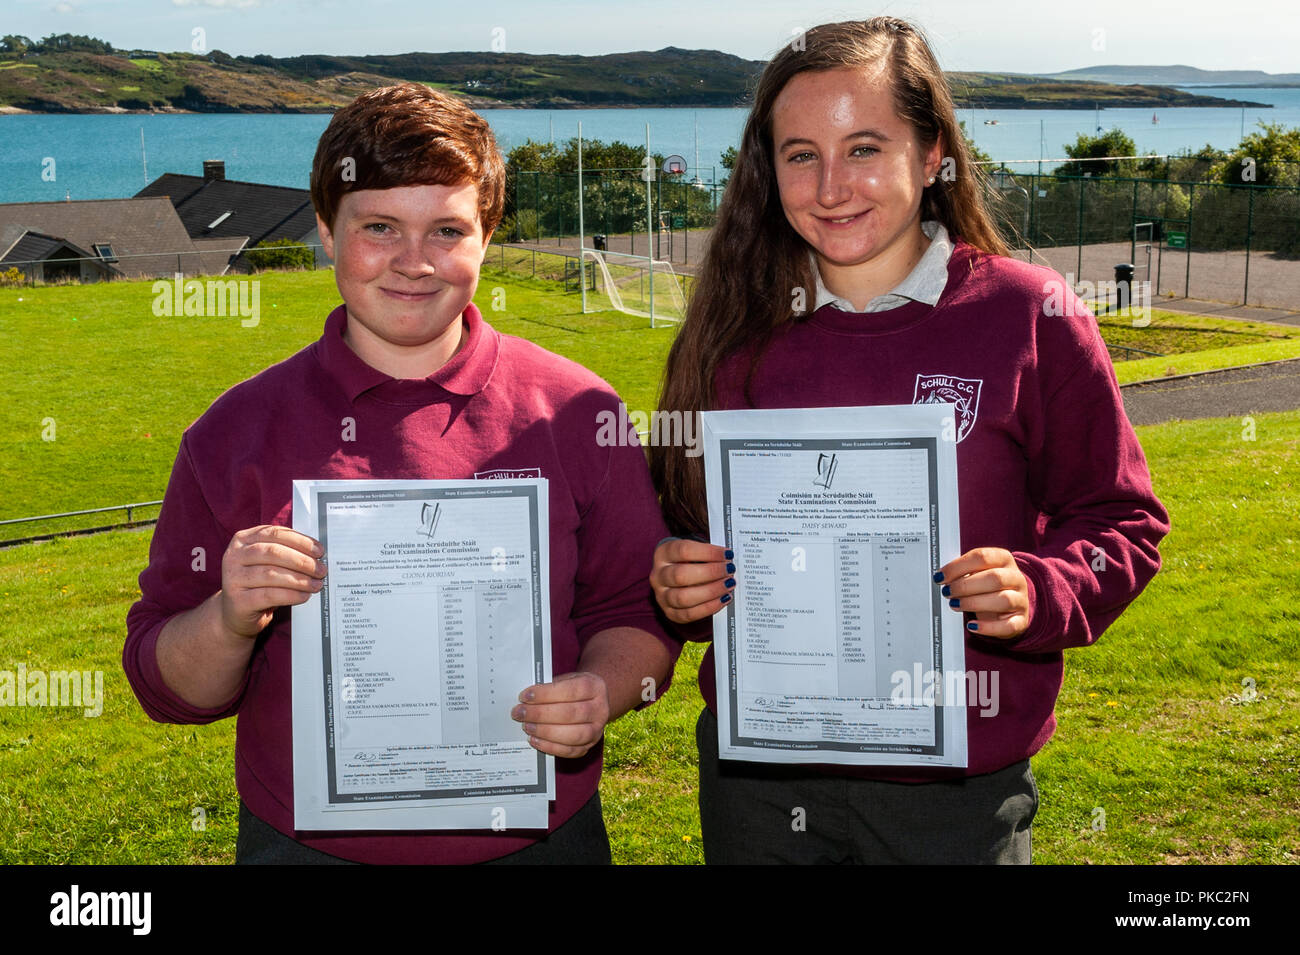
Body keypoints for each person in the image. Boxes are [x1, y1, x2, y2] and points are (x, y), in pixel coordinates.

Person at [648, 18, 1170, 864]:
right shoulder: (730, 331)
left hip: (956, 796)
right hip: (761, 788)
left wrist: (1041, 589)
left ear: (931, 157)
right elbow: (681, 533)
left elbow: (1124, 521)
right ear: (766, 168)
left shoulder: (1028, 314)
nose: (830, 186)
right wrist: (678, 582)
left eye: (864, 148)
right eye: (800, 154)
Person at [124, 83, 679, 865]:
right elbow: (167, 686)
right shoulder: (233, 432)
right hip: (306, 845)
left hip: (537, 837)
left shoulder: (578, 409)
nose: (414, 263)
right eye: (379, 227)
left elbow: (635, 609)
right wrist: (229, 615)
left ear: (487, 237)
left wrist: (602, 689)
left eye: (447, 230)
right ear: (326, 231)